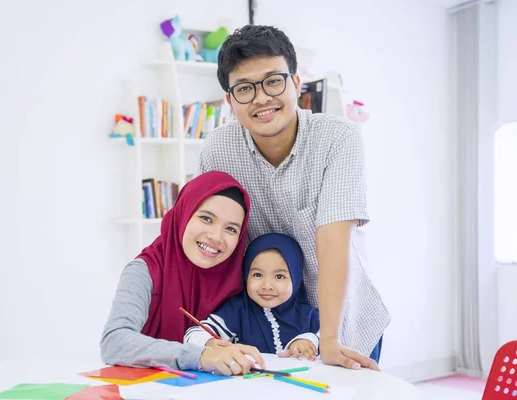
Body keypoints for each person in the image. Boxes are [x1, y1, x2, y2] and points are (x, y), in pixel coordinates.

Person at [198, 25, 390, 370]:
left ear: (295, 84)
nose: (261, 98)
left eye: (273, 81)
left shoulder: (338, 137)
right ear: (230, 100)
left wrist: (329, 339)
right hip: (267, 324)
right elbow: (216, 240)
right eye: (244, 88)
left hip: (343, 324)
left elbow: (333, 240)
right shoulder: (218, 149)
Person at [100, 171, 266, 376]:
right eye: (206, 218)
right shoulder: (144, 270)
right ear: (183, 213)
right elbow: (114, 342)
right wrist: (200, 356)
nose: (216, 236)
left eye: (231, 229)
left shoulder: (240, 281)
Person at [184, 233, 320, 361]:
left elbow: (333, 338)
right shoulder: (238, 310)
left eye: (279, 276)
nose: (267, 285)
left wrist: (309, 340)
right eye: (257, 275)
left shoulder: (309, 316)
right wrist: (210, 343)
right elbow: (193, 334)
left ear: (296, 280)